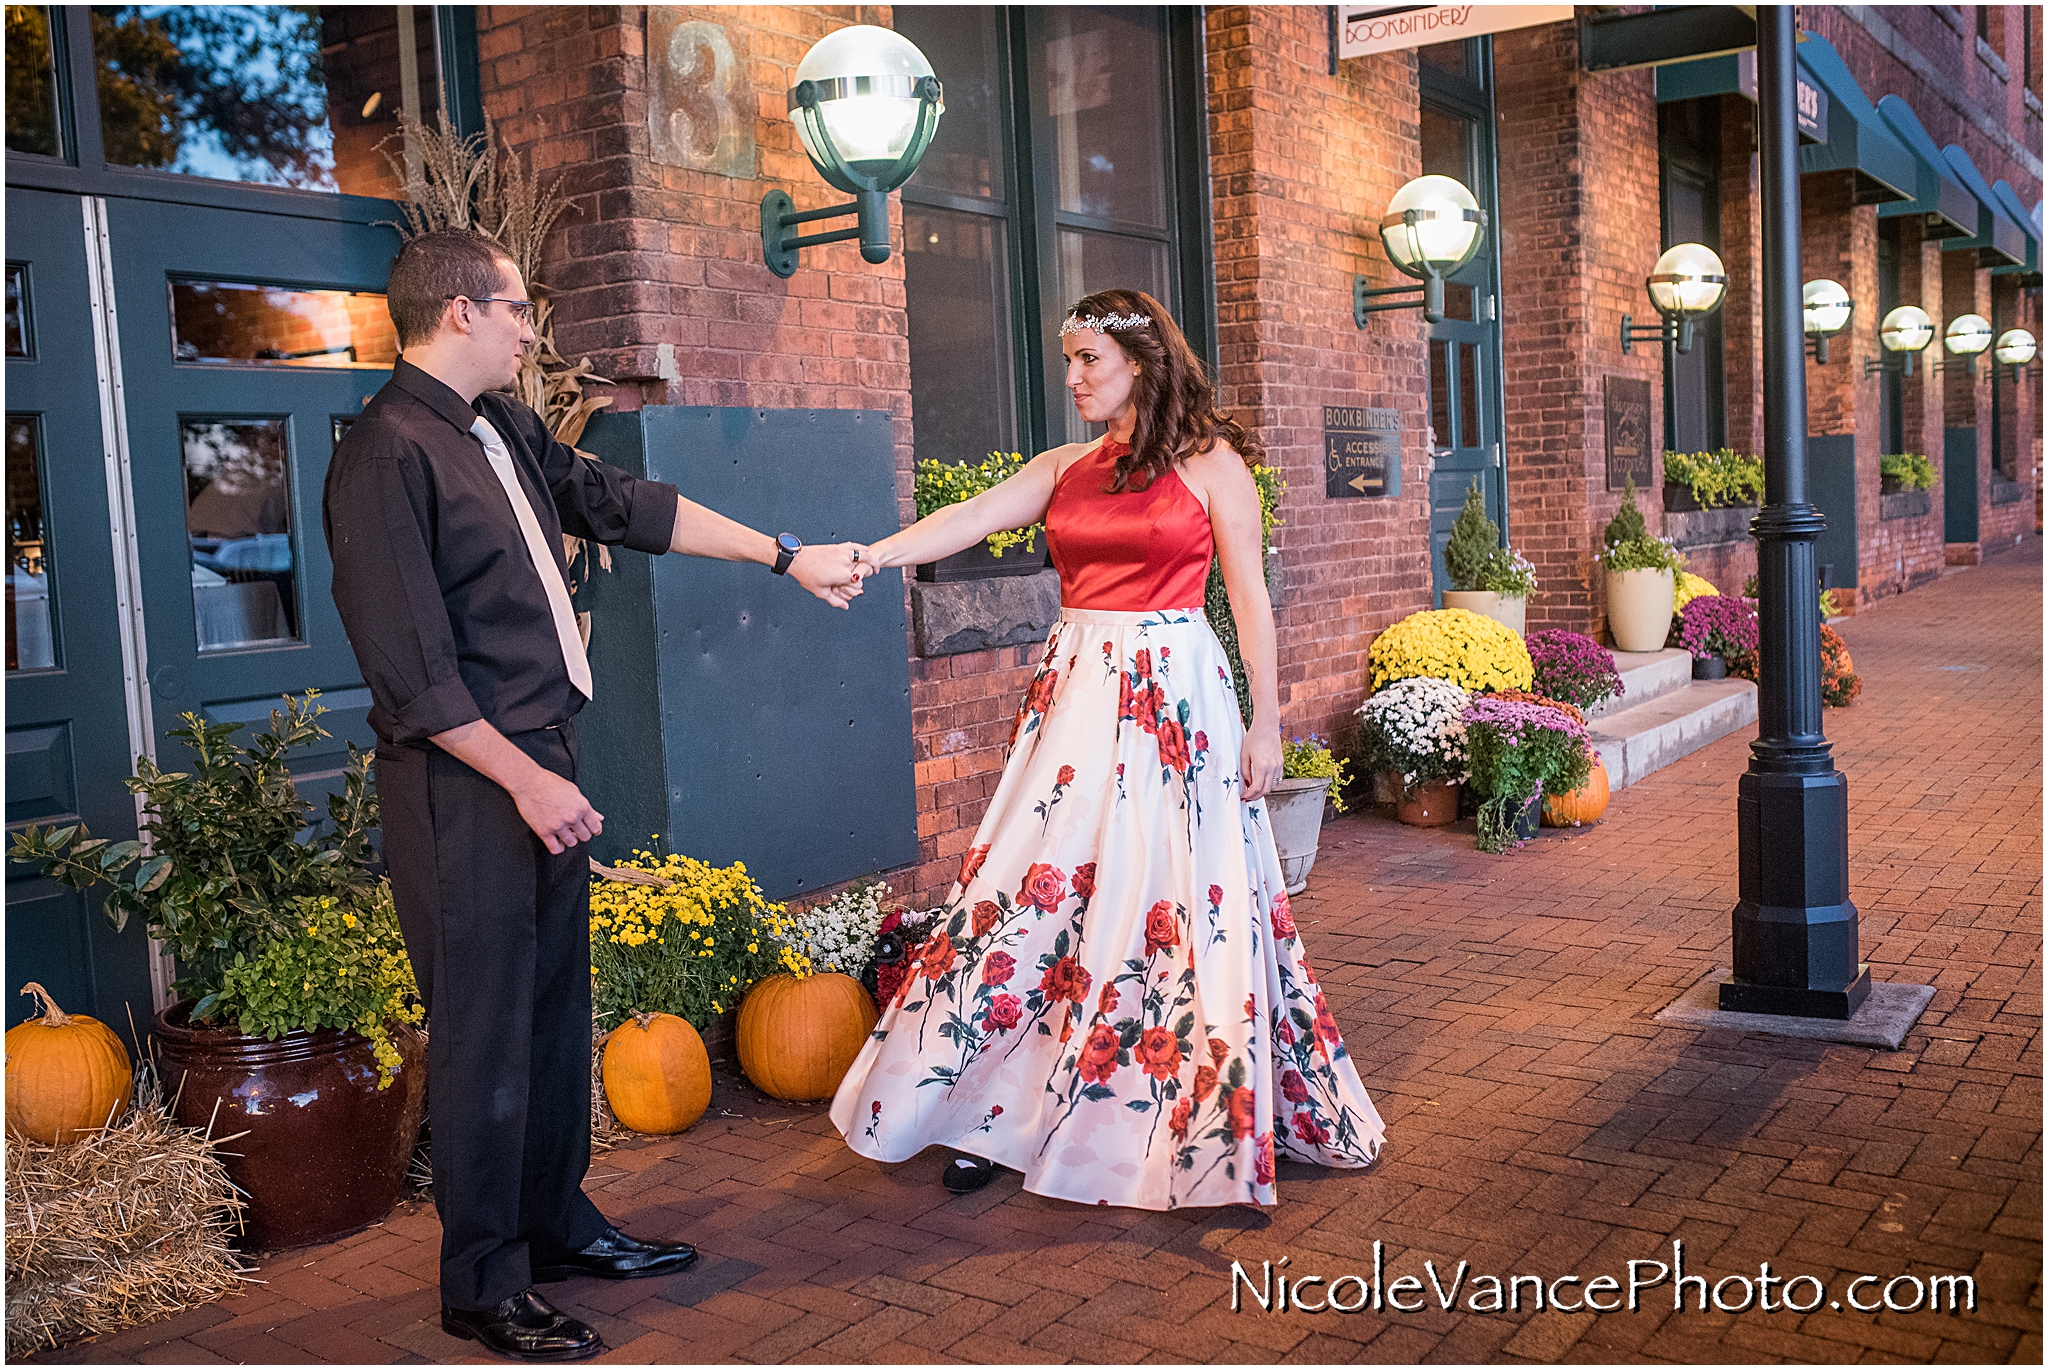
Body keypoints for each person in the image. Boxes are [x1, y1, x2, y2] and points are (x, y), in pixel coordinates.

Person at [323, 228, 864, 1362]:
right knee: (482, 1038)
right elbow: (412, 673)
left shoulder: (507, 428)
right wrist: (524, 781)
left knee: (554, 1014)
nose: (532, 327)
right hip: (465, 784)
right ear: (461, 311)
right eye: (519, 306)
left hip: (537, 762)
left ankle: (555, 1225)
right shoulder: (382, 456)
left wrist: (785, 553)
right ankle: (480, 1283)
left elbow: (624, 505)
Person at [826, 289, 1385, 1208]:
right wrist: (875, 554)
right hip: (1080, 694)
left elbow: (1248, 600)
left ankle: (1152, 1116)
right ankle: (988, 1112)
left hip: (1178, 696)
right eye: (1069, 360)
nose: (1075, 377)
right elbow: (968, 518)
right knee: (1033, 886)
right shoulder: (1066, 465)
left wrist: (1266, 722)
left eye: (1090, 359)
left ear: (1141, 362)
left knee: (1162, 890)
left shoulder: (1214, 466)